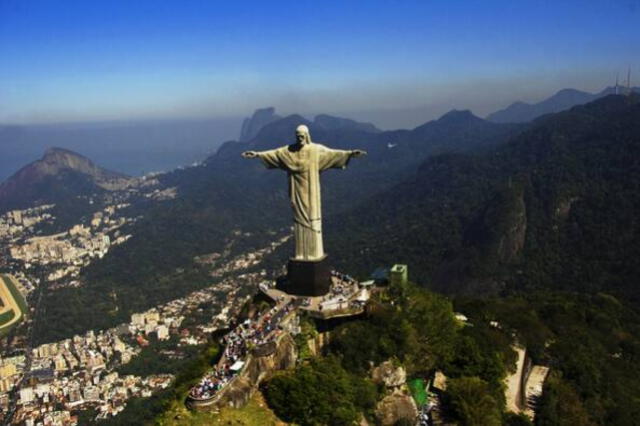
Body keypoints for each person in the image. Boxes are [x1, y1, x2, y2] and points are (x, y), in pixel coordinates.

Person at [242, 125, 366, 260]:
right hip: (297, 192)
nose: (300, 138)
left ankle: (314, 253)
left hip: (311, 193)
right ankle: (301, 254)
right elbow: (275, 154)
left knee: (312, 219)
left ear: (307, 136)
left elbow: (333, 153)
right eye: (298, 136)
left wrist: (350, 154)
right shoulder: (289, 151)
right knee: (299, 220)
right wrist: (257, 155)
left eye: (302, 136)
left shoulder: (316, 150)